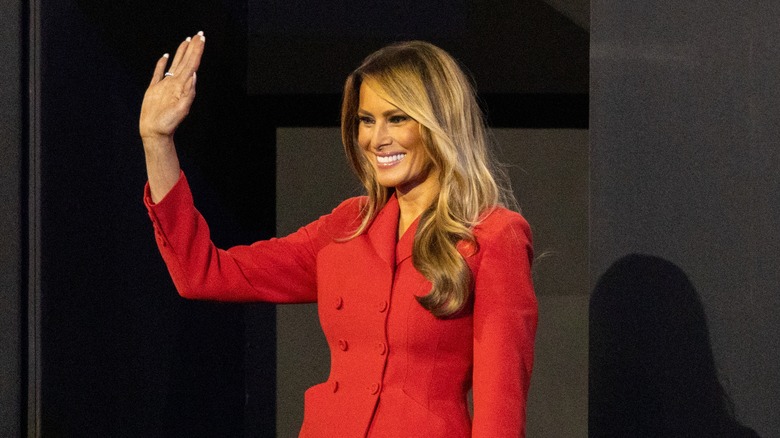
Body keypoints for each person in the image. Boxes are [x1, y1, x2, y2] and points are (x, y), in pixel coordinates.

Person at [140, 32, 537, 437]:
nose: (375, 139)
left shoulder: (492, 236)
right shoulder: (348, 226)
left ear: (439, 122)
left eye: (396, 118)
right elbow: (202, 273)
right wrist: (157, 143)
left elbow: (499, 409)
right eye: (366, 120)